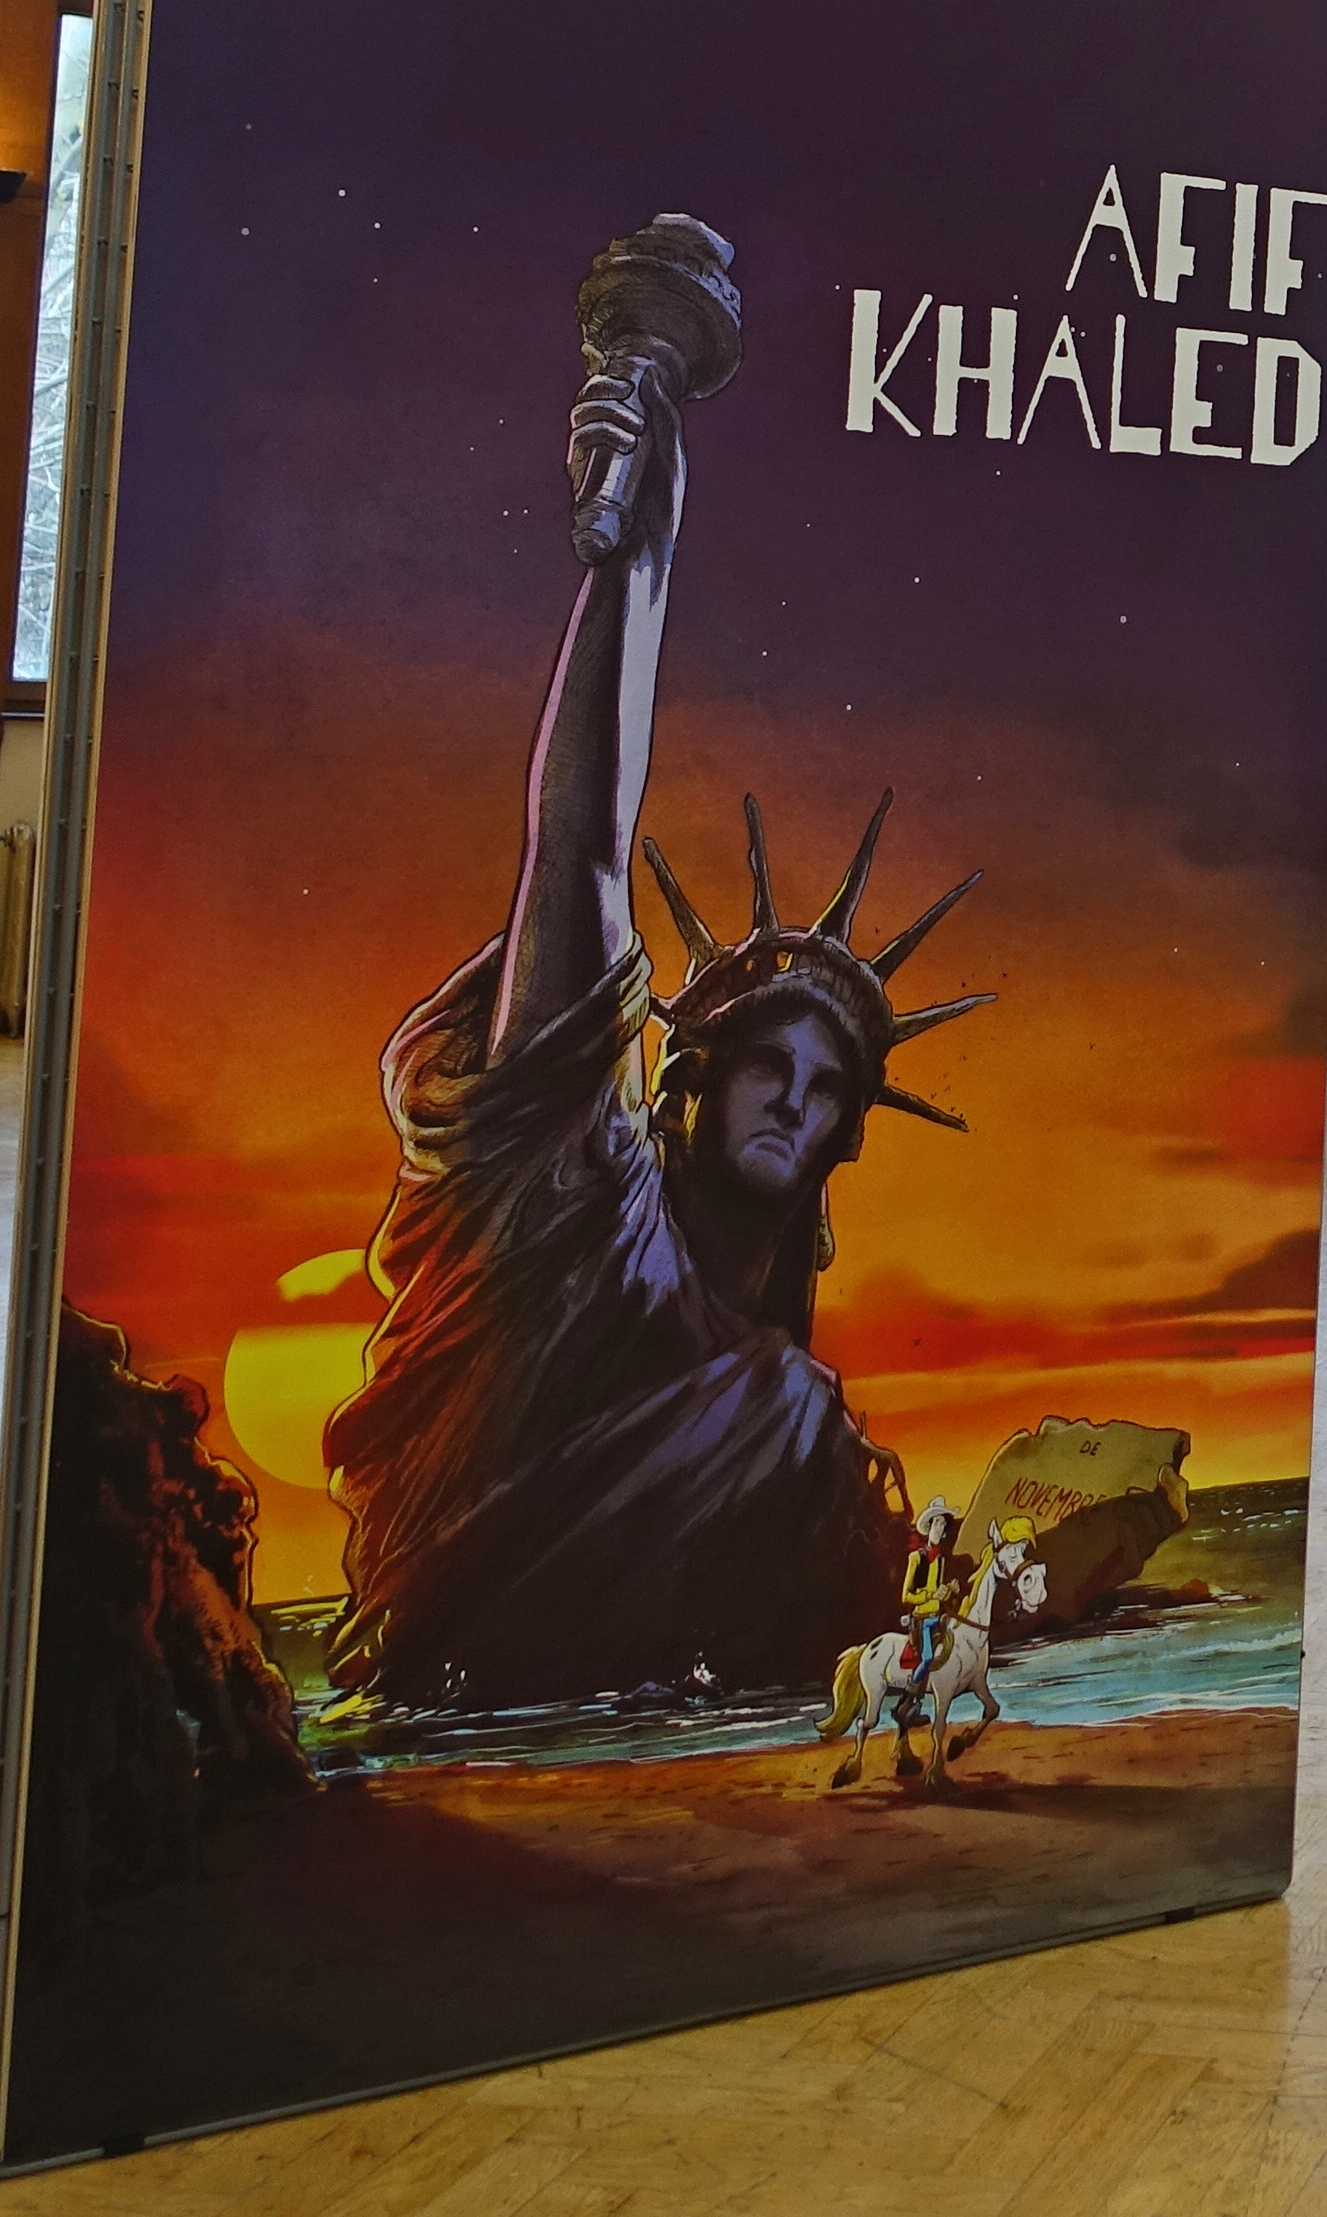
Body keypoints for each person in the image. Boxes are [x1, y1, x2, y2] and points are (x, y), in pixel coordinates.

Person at [321, 220, 1002, 1716]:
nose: (797, 1101)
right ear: (689, 1081)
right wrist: (640, 558)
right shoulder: (582, 1224)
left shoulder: (790, 1411)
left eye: (828, 1091)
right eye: (772, 1066)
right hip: (468, 1725)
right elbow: (576, 850)